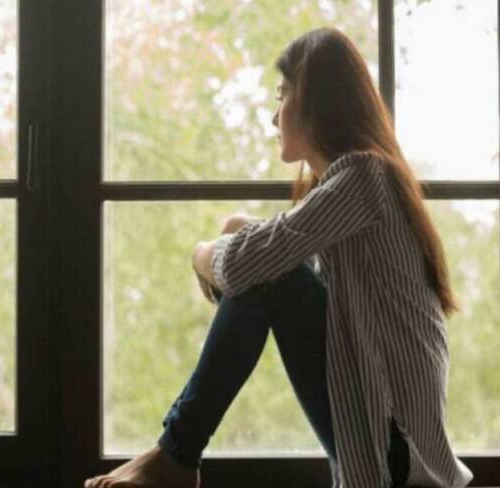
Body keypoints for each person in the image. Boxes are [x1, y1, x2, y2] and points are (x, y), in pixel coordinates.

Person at [83, 26, 474, 488]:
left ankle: (177, 454)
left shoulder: (364, 176)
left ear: (315, 101)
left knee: (267, 273)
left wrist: (200, 253)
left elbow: (250, 265)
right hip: (388, 453)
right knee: (266, 265)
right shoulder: (359, 187)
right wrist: (239, 228)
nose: (273, 117)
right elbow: (278, 253)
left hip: (397, 458)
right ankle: (174, 455)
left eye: (282, 95)